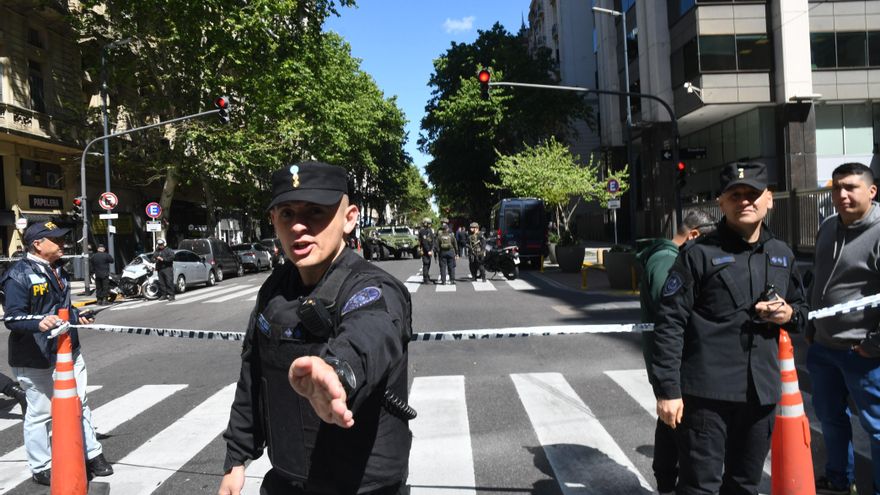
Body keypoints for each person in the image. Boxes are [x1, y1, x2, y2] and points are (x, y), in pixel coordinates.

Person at [219, 161, 413, 495]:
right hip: (287, 481)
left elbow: (372, 330)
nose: (298, 227)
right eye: (287, 214)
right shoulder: (274, 289)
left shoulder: (373, 287)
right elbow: (252, 379)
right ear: (273, 221)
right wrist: (236, 462)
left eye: (315, 212)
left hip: (362, 487)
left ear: (349, 218)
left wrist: (338, 372)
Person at [652, 162, 807, 495]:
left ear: (770, 200)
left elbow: (801, 311)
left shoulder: (782, 254)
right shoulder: (697, 255)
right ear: (721, 203)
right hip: (707, 397)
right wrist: (668, 389)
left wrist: (788, 314)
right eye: (735, 195)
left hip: (760, 394)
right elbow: (669, 323)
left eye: (753, 194)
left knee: (744, 485)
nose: (745, 201)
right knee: (699, 487)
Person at [0, 221, 113, 486]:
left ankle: (92, 454)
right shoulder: (18, 274)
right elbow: (13, 319)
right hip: (34, 355)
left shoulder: (59, 269)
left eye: (62, 239)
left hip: (68, 350)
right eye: (56, 240)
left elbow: (63, 309)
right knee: (40, 412)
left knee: (80, 403)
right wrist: (38, 322)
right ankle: (41, 465)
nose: (62, 244)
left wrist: (78, 315)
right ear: (37, 244)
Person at [808, 161, 880, 495]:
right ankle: (839, 478)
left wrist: (875, 344)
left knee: (877, 427)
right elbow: (819, 279)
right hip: (823, 348)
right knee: (831, 419)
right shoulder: (827, 225)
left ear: (871, 190)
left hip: (862, 351)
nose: (842, 194)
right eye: (837, 187)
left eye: (851, 187)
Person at [636, 210, 715, 495]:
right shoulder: (666, 261)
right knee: (676, 426)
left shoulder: (669, 258)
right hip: (674, 360)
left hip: (675, 358)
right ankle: (669, 484)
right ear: (693, 235)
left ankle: (669, 482)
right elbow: (668, 311)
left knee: (673, 424)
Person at [417, 218, 435, 284]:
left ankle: (427, 276)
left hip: (429, 250)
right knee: (426, 264)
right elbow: (424, 242)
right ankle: (425, 279)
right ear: (425, 223)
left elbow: (432, 239)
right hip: (425, 251)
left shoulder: (429, 230)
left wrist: (432, 248)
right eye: (429, 223)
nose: (430, 225)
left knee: (428, 264)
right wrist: (428, 251)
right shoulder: (423, 231)